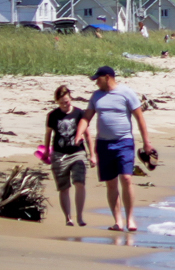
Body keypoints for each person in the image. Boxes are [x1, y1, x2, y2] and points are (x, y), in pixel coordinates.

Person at [75, 66, 153, 233]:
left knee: (126, 178)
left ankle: (130, 218)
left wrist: (147, 143)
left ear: (108, 77)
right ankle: (118, 221)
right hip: (103, 144)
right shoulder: (96, 96)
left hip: (124, 142)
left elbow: (139, 118)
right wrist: (79, 134)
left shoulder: (126, 93)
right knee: (111, 183)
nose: (96, 82)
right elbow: (86, 118)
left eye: (98, 78)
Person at [44, 85, 96, 226]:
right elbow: (48, 134)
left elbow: (88, 135)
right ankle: (68, 218)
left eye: (67, 101)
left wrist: (92, 155)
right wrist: (46, 152)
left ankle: (79, 216)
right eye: (61, 102)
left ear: (70, 98)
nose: (65, 104)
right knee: (64, 187)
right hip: (59, 154)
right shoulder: (53, 116)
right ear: (57, 102)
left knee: (79, 182)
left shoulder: (79, 114)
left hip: (77, 152)